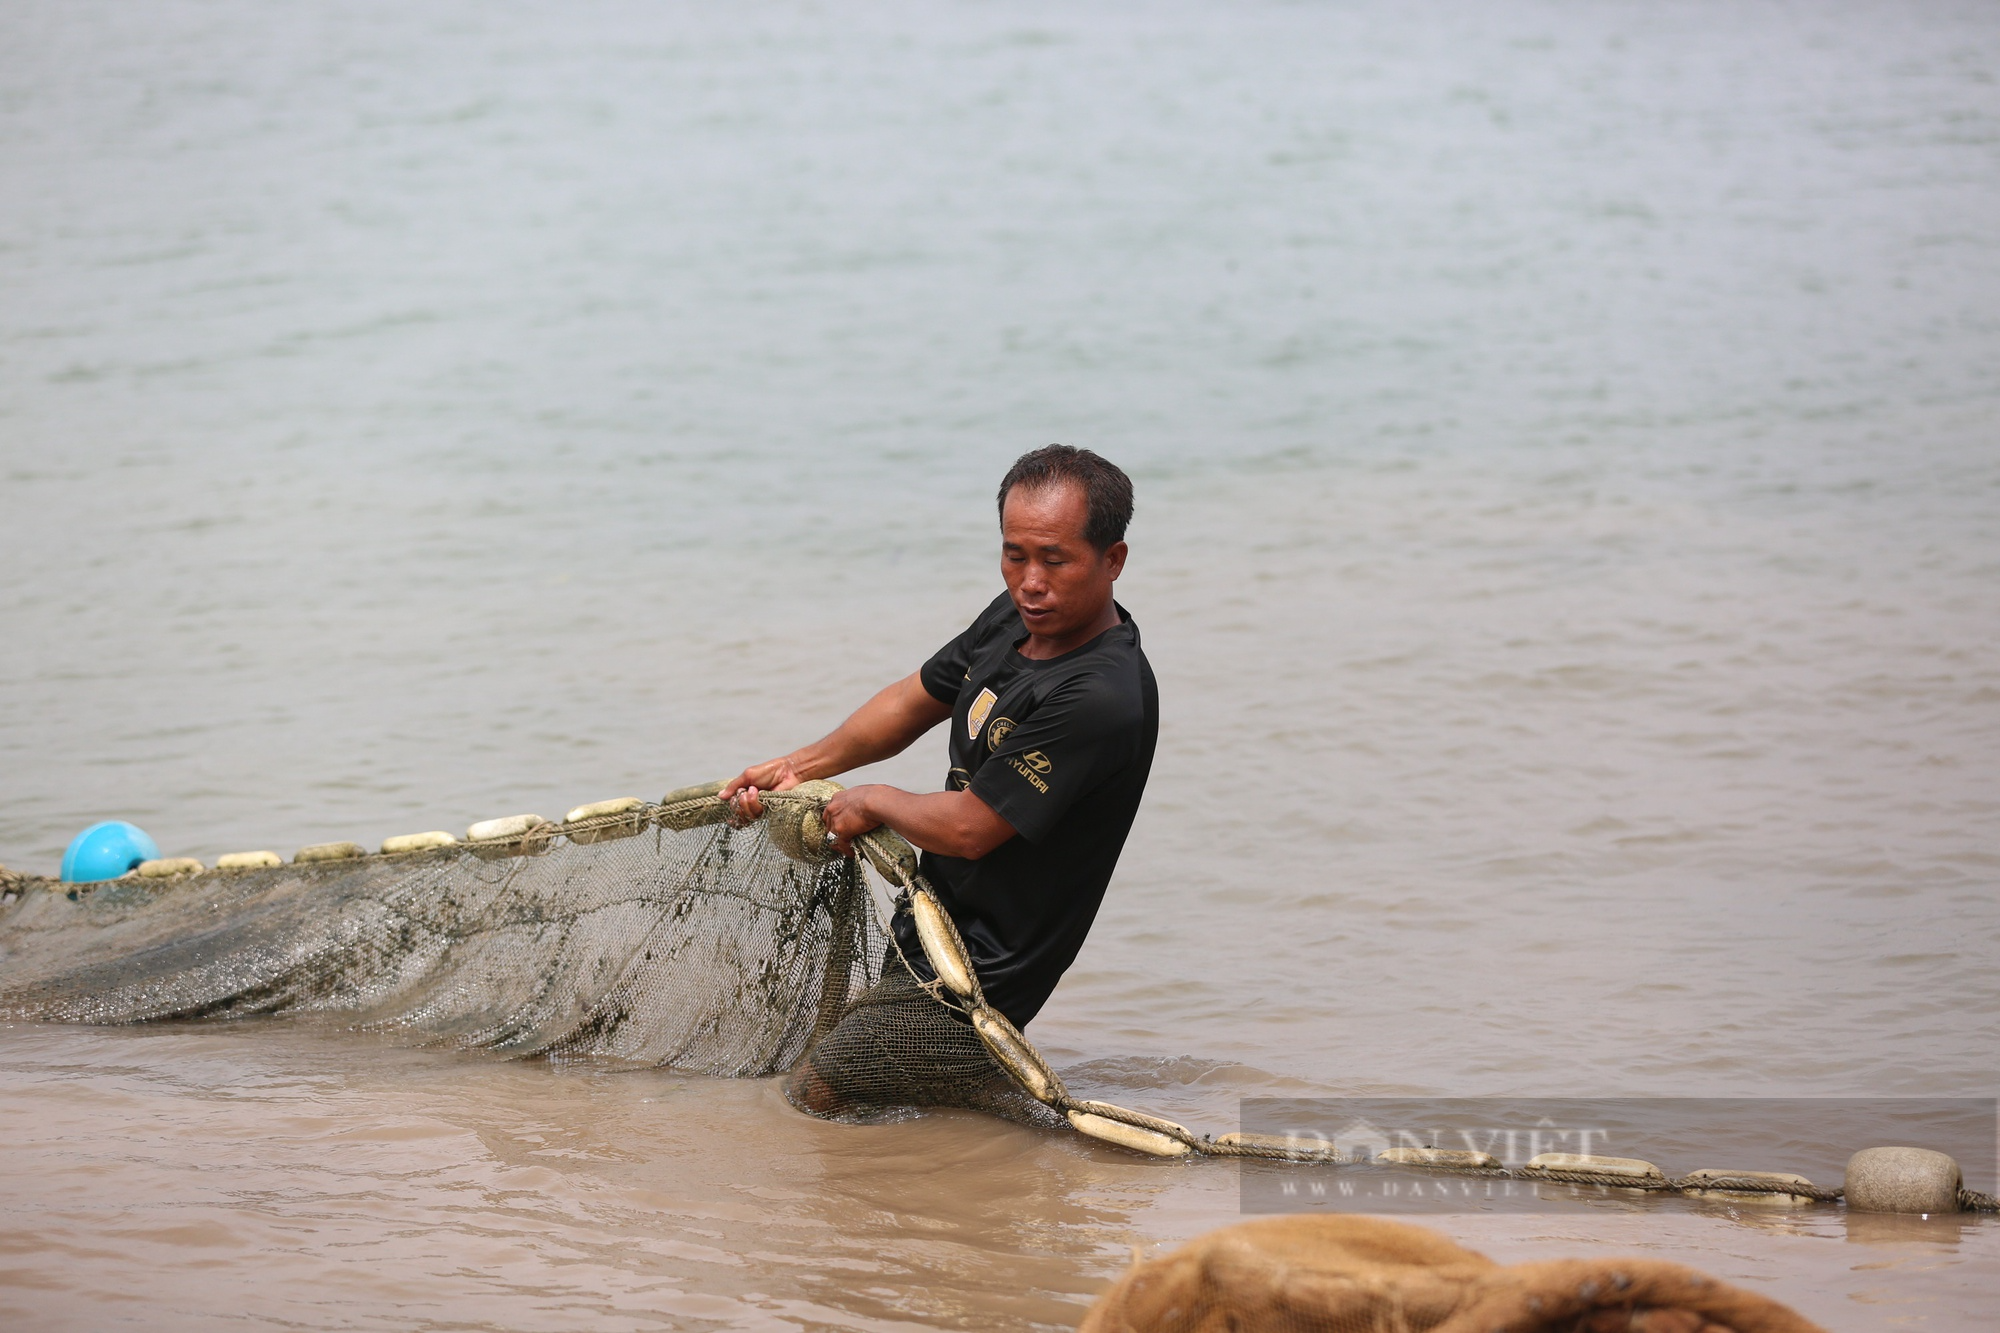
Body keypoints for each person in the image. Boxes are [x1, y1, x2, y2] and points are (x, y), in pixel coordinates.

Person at [722, 445, 1159, 1120]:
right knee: (886, 1101)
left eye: (1055, 558)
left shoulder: (1100, 695)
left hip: (981, 985)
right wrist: (799, 768)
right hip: (928, 928)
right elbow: (914, 699)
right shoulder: (1016, 617)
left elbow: (971, 828)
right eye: (1015, 555)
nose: (1030, 581)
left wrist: (874, 800)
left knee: (812, 1093)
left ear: (1113, 560)